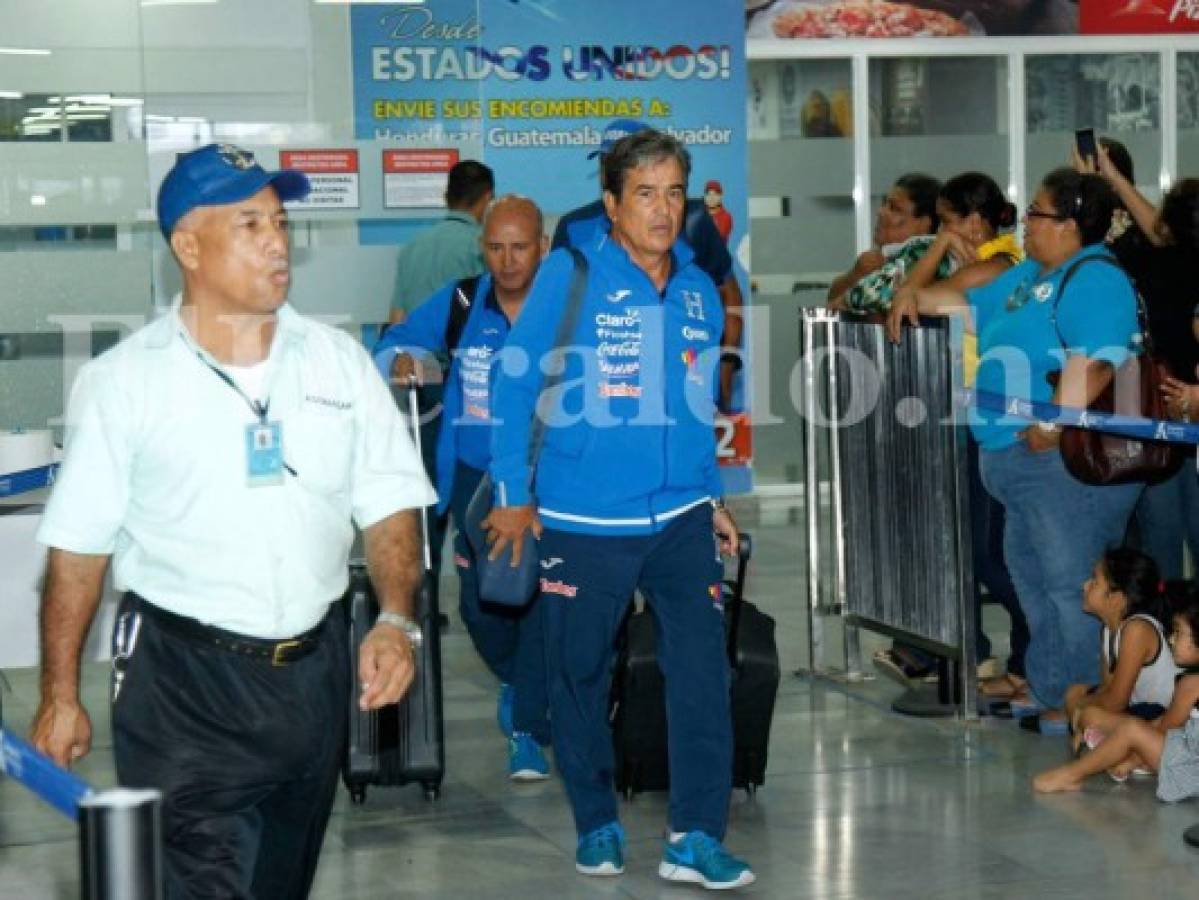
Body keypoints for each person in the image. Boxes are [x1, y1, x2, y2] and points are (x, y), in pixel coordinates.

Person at [30, 143, 436, 899]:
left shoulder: (337, 363)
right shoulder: (124, 383)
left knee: (281, 884)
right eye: (248, 223)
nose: (276, 241)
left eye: (279, 221)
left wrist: (395, 620)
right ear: (187, 246)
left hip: (315, 680)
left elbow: (387, 503)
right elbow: (77, 554)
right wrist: (60, 693)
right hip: (185, 690)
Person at [487, 129, 754, 890]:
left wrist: (714, 501)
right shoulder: (570, 273)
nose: (662, 209)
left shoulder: (700, 290)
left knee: (701, 672)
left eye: (674, 192)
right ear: (611, 204)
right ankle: (596, 821)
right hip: (582, 517)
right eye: (644, 193)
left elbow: (698, 410)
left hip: (679, 519)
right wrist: (511, 496)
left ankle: (695, 836)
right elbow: (512, 387)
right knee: (577, 672)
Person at [891, 168, 1145, 734]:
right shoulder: (1031, 275)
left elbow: (1098, 360)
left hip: (1061, 460)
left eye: (1038, 213)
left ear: (1072, 225)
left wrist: (1051, 427)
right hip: (1014, 455)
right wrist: (912, 289)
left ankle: (1078, 699)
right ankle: (1048, 684)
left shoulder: (1095, 277)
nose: (1025, 222)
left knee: (1068, 582)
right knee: (1031, 578)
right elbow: (959, 306)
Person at [373, 195, 552, 781]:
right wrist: (403, 359)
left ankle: (526, 724)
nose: (507, 260)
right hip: (475, 478)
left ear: (542, 247)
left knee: (546, 600)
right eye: (496, 247)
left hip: (550, 478)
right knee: (481, 602)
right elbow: (393, 340)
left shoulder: (565, 308)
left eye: (519, 247)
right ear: (483, 247)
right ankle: (520, 685)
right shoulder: (460, 301)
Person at [885, 172, 1029, 698]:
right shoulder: (983, 262)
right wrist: (947, 244)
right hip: (976, 418)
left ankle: (1037, 644)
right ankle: (1022, 655)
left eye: (947, 222)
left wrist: (943, 246)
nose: (944, 232)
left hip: (998, 423)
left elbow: (913, 296)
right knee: (984, 549)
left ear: (974, 220)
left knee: (992, 554)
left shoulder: (1001, 264)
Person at [552, 119, 744, 412]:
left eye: (619, 158)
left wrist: (726, 365)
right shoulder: (574, 228)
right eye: (605, 160)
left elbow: (729, 295)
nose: (608, 169)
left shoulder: (691, 223)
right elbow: (552, 331)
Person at [1077, 141, 1199, 580]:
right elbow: (1158, 231)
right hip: (1173, 411)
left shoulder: (1144, 261)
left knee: (1161, 536)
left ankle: (1164, 632)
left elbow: (1156, 233)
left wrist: (1105, 182)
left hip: (1158, 411)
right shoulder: (1165, 257)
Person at [1034, 584, 1199, 796]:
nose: (1171, 639)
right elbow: (1171, 723)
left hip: (1190, 770)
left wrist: (1132, 754)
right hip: (1188, 757)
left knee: (1131, 730)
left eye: (1178, 632)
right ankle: (1113, 750)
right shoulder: (1190, 682)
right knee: (1126, 727)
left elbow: (1165, 731)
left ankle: (1073, 774)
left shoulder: (1191, 685)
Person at [1064, 548, 1178, 735]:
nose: (1085, 586)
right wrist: (1079, 702)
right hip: (1136, 707)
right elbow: (1108, 687)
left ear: (1116, 599)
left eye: (1094, 582)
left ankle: (1104, 745)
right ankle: (1098, 742)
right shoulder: (1108, 630)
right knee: (1074, 692)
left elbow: (1117, 701)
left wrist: (1080, 707)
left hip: (1163, 713)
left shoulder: (1137, 630)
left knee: (1090, 714)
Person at [389, 159, 494, 324]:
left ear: (446, 197)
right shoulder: (484, 246)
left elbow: (397, 317)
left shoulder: (412, 247)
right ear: (488, 198)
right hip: (462, 347)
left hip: (415, 347)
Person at [827, 172, 942, 314]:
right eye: (884, 205)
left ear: (924, 224)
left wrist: (848, 298)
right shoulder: (874, 259)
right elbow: (831, 302)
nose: (881, 212)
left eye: (895, 209)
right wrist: (855, 275)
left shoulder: (933, 263)